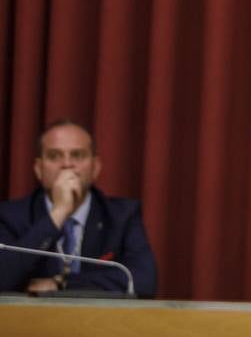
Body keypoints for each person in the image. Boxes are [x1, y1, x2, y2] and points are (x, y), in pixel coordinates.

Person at [0, 119, 158, 296]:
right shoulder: (9, 216)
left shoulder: (122, 216)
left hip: (98, 322)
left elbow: (143, 281)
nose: (67, 164)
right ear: (39, 169)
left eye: (77, 155)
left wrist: (62, 284)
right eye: (54, 156)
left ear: (95, 167)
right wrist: (58, 214)